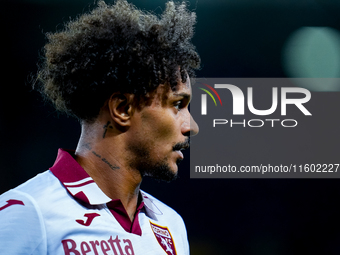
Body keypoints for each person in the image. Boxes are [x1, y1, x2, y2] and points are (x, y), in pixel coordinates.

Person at [0, 0, 200, 254]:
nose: (191, 126)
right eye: (178, 104)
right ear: (122, 109)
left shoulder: (171, 226)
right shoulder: (28, 213)